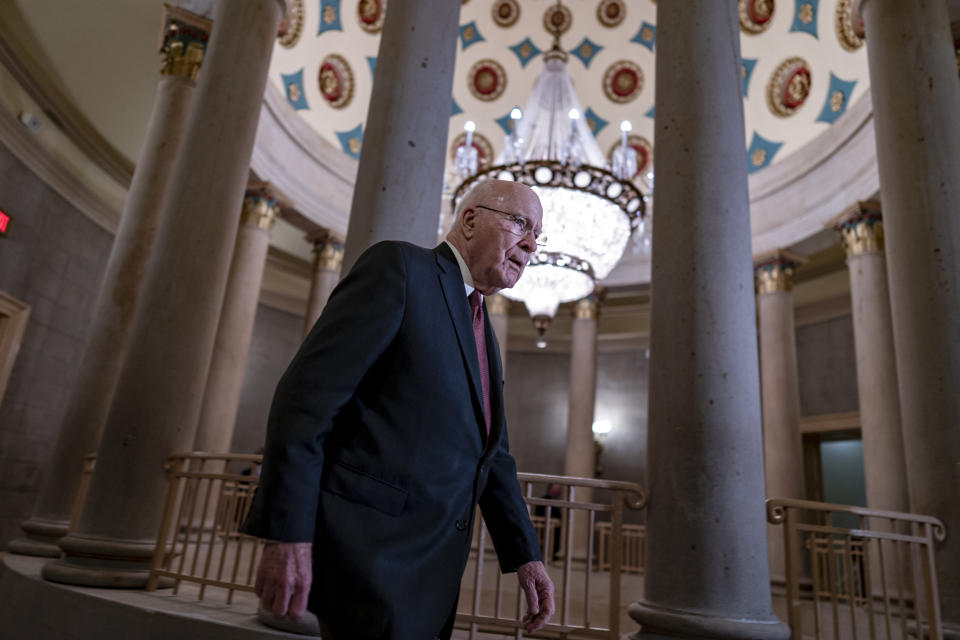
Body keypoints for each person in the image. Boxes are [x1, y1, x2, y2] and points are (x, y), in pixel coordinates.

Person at [242, 180, 555, 639]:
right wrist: (287, 534)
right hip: (368, 557)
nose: (530, 244)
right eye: (519, 224)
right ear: (470, 221)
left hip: (434, 570)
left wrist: (525, 554)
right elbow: (305, 402)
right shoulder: (400, 268)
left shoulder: (481, 323)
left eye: (537, 235)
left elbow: (492, 452)